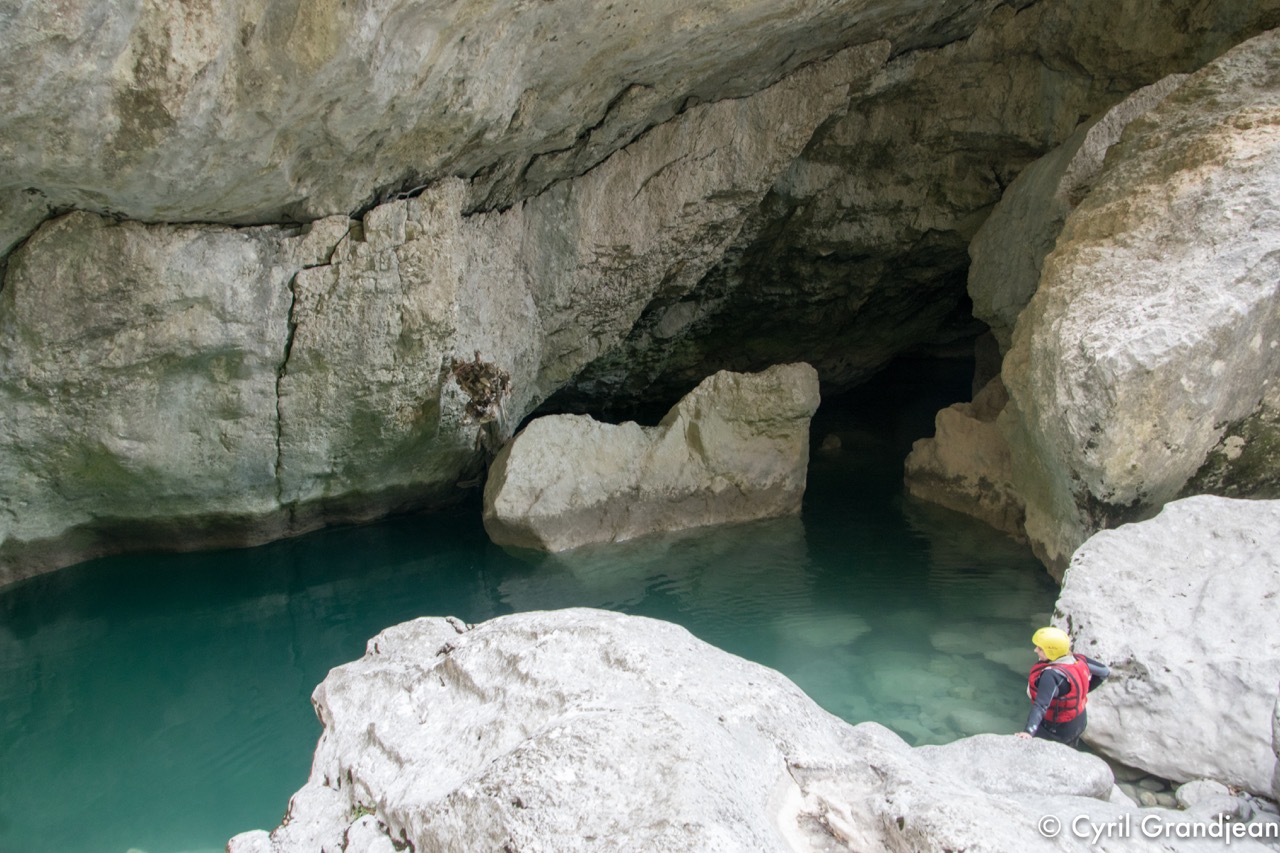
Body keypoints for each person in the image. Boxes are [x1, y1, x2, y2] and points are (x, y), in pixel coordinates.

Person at [1015, 626, 1109, 747]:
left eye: (1040, 648)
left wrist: (1028, 732)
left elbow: (1041, 706)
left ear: (1051, 652)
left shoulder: (1051, 675)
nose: (1035, 650)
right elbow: (1104, 672)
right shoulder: (1078, 660)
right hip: (1078, 721)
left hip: (1056, 729)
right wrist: (1082, 692)